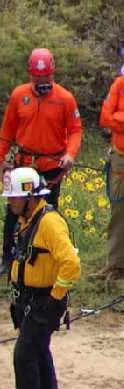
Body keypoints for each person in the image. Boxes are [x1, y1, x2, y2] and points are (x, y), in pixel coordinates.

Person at [4, 167, 80, 389]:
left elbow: (71, 264)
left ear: (30, 197)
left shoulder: (49, 223)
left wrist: (55, 297)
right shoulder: (28, 219)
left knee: (23, 356)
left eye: (14, 198)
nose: (10, 203)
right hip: (29, 300)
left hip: (44, 301)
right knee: (37, 352)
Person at [0, 47, 83, 275]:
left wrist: (70, 155)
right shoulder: (19, 96)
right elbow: (7, 130)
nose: (42, 81)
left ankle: (47, 257)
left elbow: (75, 130)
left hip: (52, 167)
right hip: (24, 165)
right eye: (37, 77)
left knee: (48, 214)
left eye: (46, 77)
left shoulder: (65, 99)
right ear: (29, 75)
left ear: (53, 74)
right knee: (14, 211)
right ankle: (8, 258)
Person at [94, 70, 124, 279]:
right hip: (120, 158)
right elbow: (105, 118)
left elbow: (113, 117)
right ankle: (116, 265)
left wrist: (119, 118)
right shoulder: (119, 85)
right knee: (119, 211)